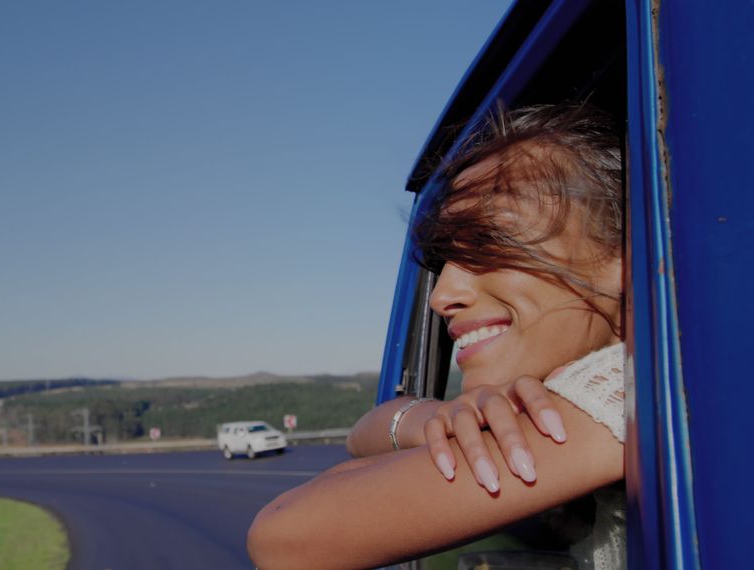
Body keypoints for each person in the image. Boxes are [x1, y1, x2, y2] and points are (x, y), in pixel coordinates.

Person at [247, 102, 627, 570]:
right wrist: (437, 417)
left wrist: (431, 424)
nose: (441, 295)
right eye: (445, 261)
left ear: (622, 258)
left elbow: (285, 535)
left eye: (490, 242)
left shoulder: (619, 398)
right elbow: (365, 433)